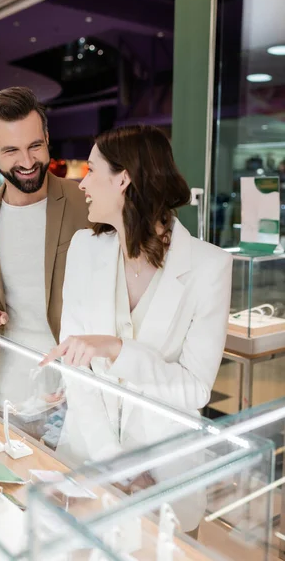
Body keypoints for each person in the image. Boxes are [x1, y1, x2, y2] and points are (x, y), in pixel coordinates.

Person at [41, 125, 232, 532]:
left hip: (167, 478)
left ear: (123, 177)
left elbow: (194, 388)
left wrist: (117, 348)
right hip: (89, 462)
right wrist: (120, 466)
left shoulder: (210, 267)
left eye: (91, 170)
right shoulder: (83, 249)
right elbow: (75, 370)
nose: (82, 184)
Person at [0, 86, 89, 356]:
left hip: (74, 384)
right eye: (12, 150)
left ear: (47, 138)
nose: (27, 162)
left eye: (35, 145)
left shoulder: (86, 203)